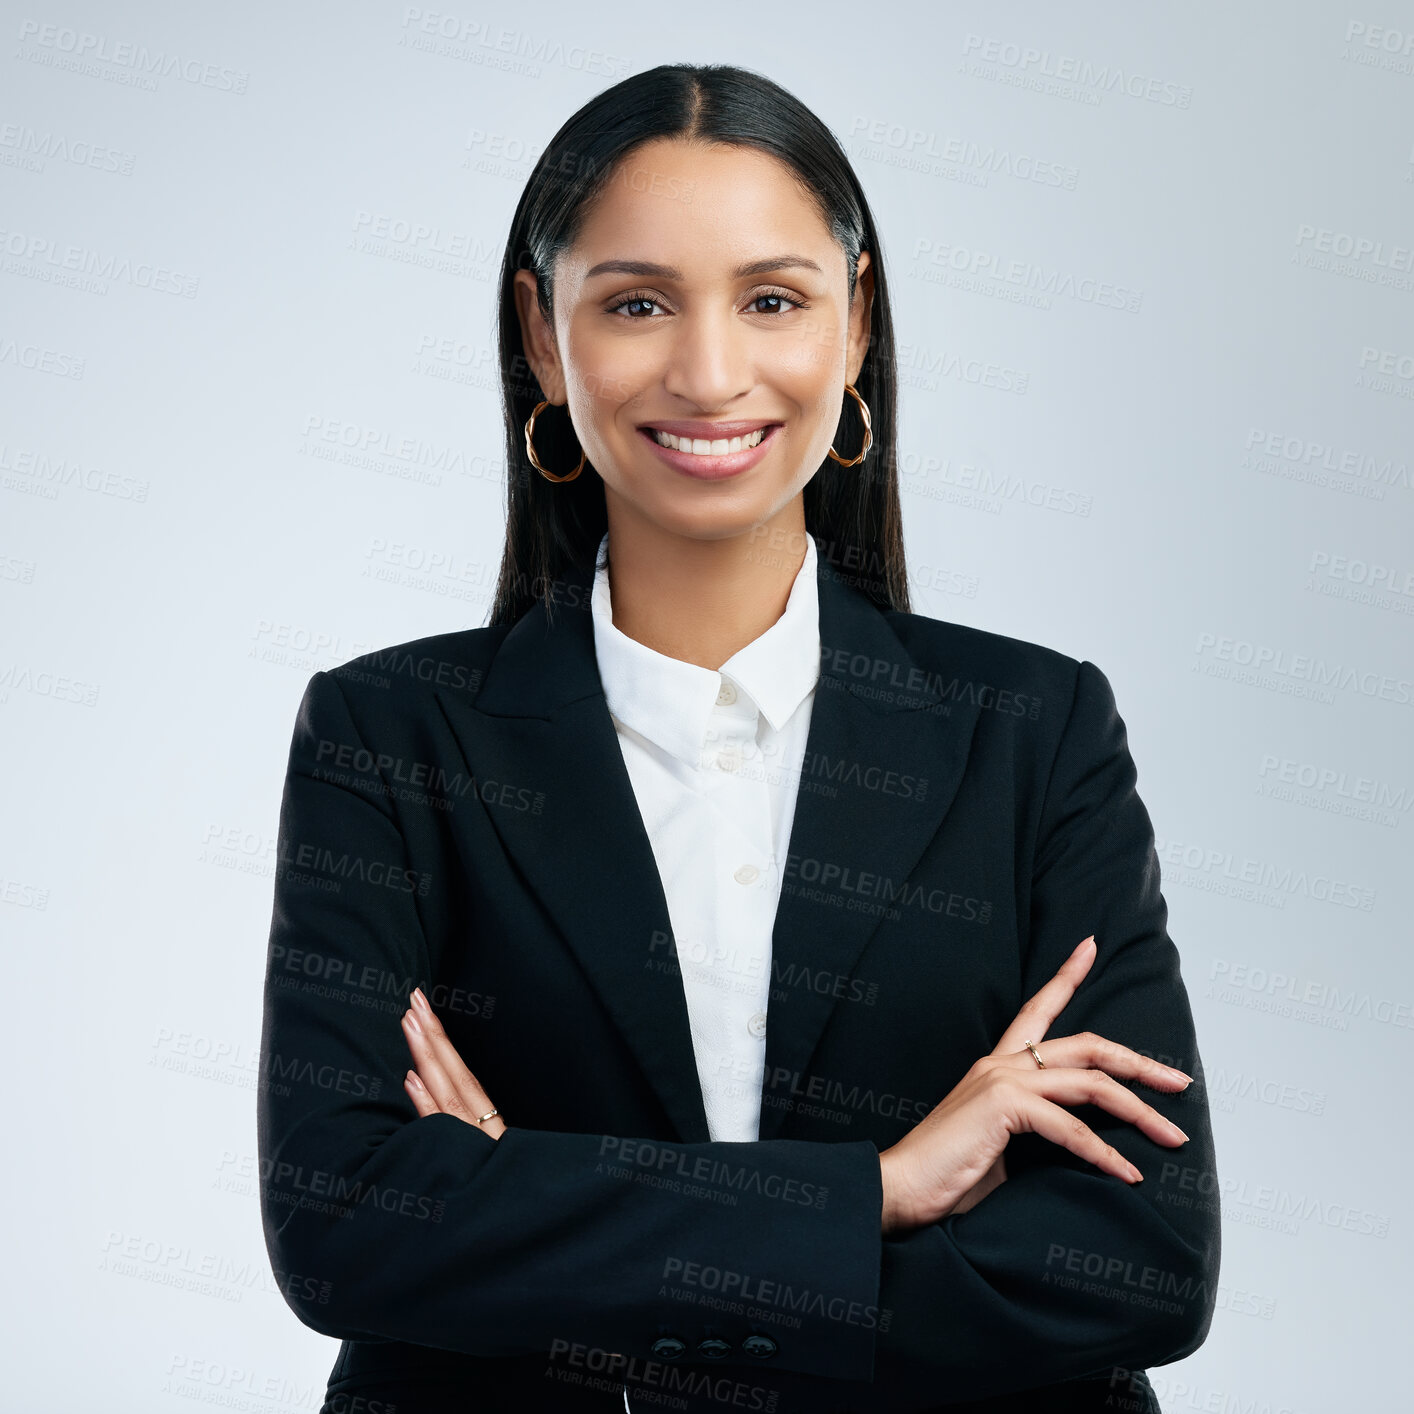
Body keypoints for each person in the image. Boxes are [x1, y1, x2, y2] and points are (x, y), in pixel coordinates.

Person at [257, 62, 1220, 1414]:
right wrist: (876, 1194)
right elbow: (342, 1229)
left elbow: (1137, 1261)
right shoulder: (388, 735)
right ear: (542, 335)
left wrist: (530, 1219)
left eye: (772, 299)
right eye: (636, 303)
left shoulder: (1035, 730)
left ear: (853, 321)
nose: (709, 375)